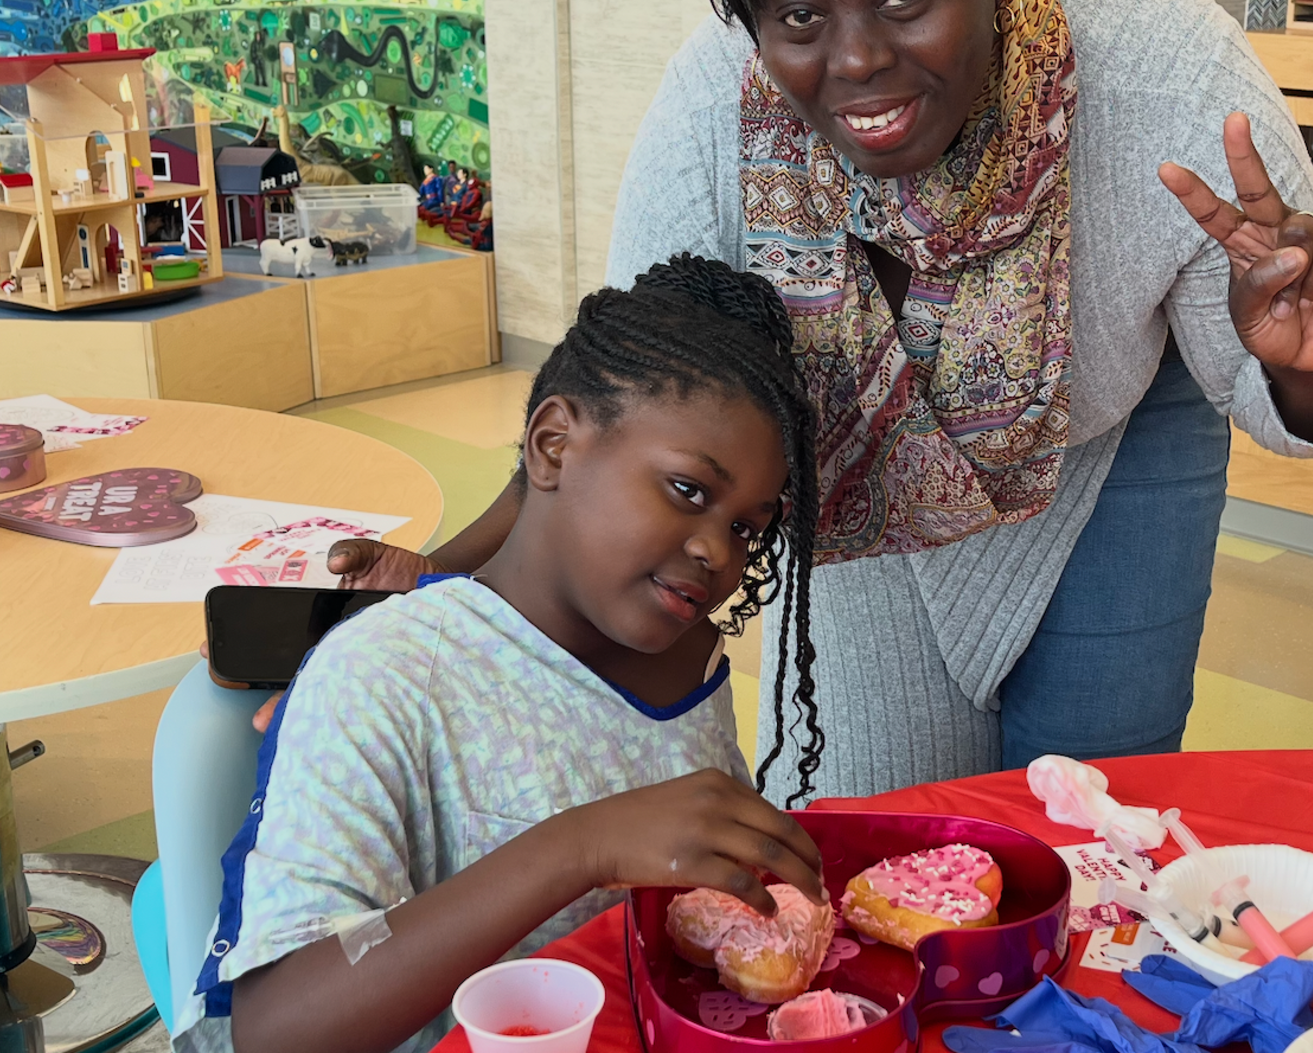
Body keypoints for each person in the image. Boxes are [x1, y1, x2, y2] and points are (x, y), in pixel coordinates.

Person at [329, 0, 1313, 800]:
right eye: (798, 14)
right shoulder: (716, 109)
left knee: (1088, 817)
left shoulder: (1160, 59)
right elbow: (612, 412)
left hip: (1107, 442)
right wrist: (449, 577)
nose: (859, 59)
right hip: (856, 463)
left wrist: (1299, 361)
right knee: (867, 823)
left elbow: (1294, 391)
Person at [179, 256, 830, 1053]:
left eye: (745, 527)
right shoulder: (390, 673)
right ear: (554, 446)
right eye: (689, 491)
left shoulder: (687, 656)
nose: (715, 552)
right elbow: (277, 1029)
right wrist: (580, 846)